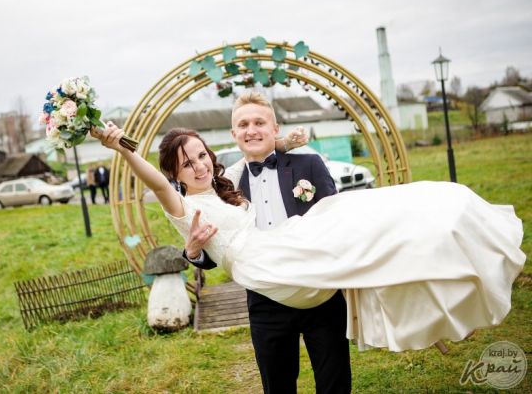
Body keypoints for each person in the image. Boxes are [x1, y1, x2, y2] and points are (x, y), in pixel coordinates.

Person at [90, 119, 524, 393]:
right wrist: (122, 148)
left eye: (202, 155)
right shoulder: (180, 204)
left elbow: (259, 150)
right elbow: (154, 180)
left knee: (357, 223)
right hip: (264, 270)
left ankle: (441, 239)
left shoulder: (228, 180)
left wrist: (284, 140)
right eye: (187, 164)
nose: (199, 166)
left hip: (285, 246)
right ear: (174, 172)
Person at [184, 92, 350, 394]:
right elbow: (214, 251)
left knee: (334, 382)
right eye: (243, 124)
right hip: (265, 300)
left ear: (275, 128)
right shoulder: (224, 189)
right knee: (277, 387)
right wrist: (193, 251)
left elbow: (337, 221)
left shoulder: (309, 164)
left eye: (259, 122)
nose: (251, 130)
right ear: (234, 134)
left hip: (320, 291)